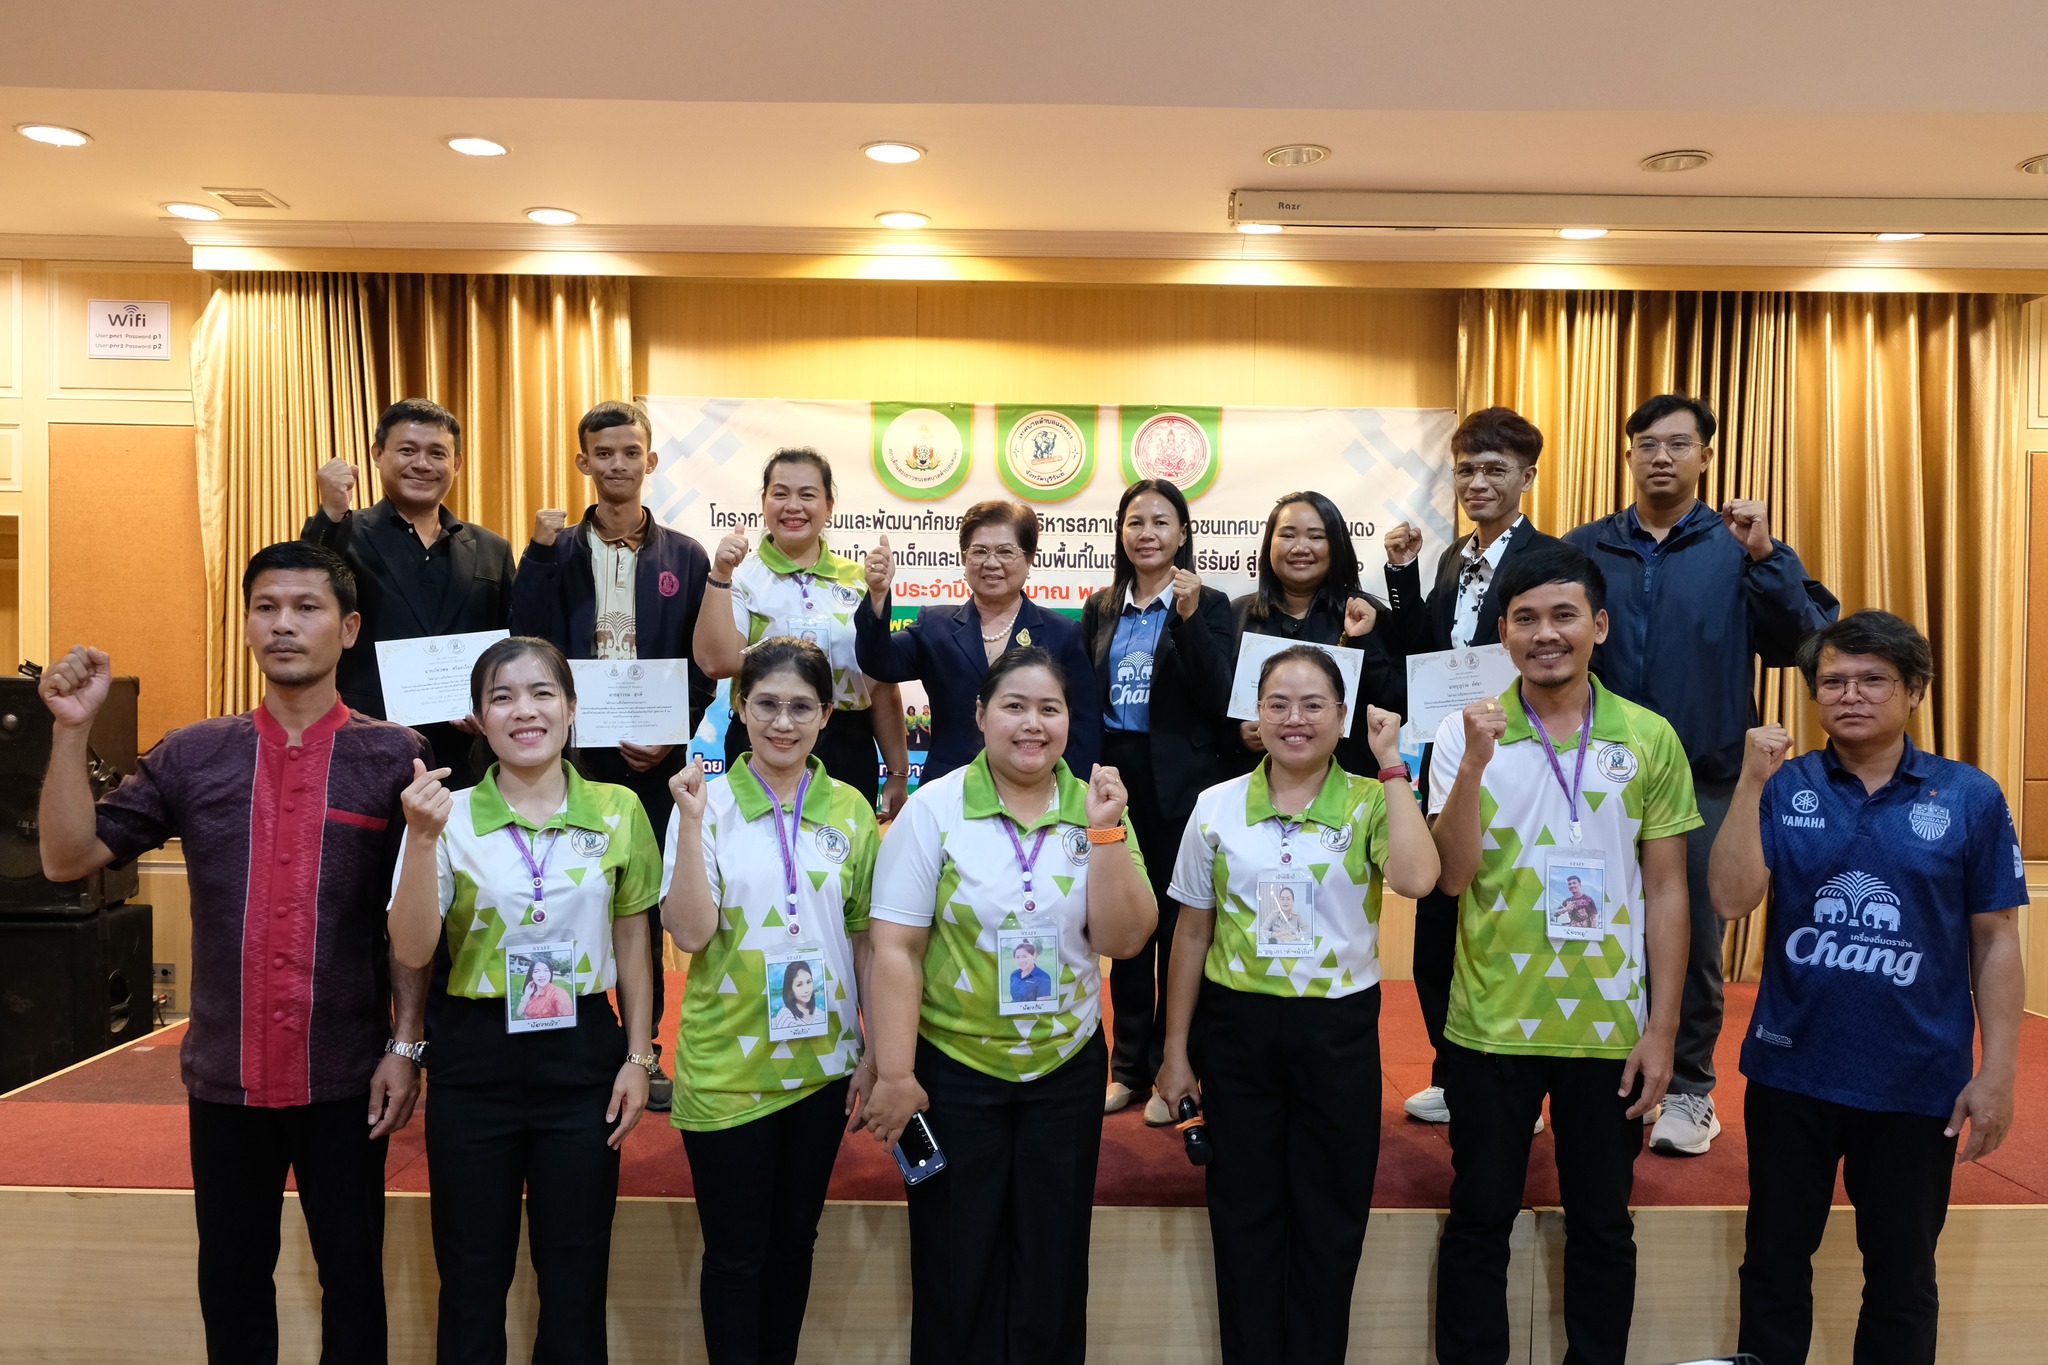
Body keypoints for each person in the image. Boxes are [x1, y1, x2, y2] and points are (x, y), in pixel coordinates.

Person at [36, 542, 428, 1364]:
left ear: (349, 628)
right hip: (225, 1075)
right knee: (233, 1288)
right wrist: (72, 731)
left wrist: (406, 1043)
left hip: (346, 1073)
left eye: (307, 607)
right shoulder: (192, 753)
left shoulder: (397, 756)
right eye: (266, 607)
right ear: (247, 624)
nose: (284, 624)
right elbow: (67, 857)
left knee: (354, 1287)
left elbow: (415, 919)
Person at [1708, 611, 2026, 1365]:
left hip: (1917, 1080)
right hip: (1792, 1071)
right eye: (1833, 682)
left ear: (1914, 690)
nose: (1850, 695)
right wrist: (1751, 782)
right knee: (1774, 1263)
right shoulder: (1786, 785)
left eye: (1872, 680)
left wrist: (1998, 1072)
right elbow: (1729, 897)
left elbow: (1996, 939)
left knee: (1902, 1278)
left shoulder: (1970, 796)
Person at [1428, 542, 1699, 1365]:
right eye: (1526, 618)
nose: (1546, 633)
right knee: (1480, 1216)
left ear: (1599, 625)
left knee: (1604, 1223)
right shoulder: (1463, 732)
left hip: (1609, 1028)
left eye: (1564, 615)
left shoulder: (1649, 737)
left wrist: (1663, 1031)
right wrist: (1474, 765)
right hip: (1490, 1022)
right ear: (1502, 633)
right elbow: (1451, 877)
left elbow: (1668, 891)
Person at [861, 647, 1156, 1364]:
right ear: (979, 714)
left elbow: (1123, 939)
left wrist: (1106, 832)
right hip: (955, 1069)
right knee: (954, 1264)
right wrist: (895, 1073)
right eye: (1014, 706)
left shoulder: (1098, 804)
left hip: (1064, 1068)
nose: (1032, 724)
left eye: (1049, 709)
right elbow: (895, 947)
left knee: (1053, 1264)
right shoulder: (934, 809)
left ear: (1069, 720)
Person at [1564, 393, 1838, 1157]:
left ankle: (1689, 1087)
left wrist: (1768, 556)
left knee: (1691, 936)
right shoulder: (1587, 545)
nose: (1661, 456)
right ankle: (1588, 1073)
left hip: (1703, 774)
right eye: (1647, 443)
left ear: (1706, 457)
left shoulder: (1741, 546)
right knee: (1585, 922)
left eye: (1678, 444)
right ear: (1628, 454)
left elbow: (1807, 643)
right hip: (1595, 776)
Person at [1154, 645, 1439, 1365]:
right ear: (1256, 714)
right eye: (1278, 703)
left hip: (1337, 1034)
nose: (1295, 719)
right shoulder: (1217, 806)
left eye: (1314, 705)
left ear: (1342, 716)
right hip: (1237, 1032)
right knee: (1242, 1215)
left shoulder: (1371, 800)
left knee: (1330, 1219)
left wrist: (1391, 763)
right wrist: (1176, 1049)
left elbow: (1417, 878)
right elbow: (1191, 932)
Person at [387, 636, 661, 1364]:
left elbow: (634, 941)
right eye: (502, 697)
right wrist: (420, 840)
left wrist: (639, 1055)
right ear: (479, 719)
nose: (524, 710)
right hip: (475, 1056)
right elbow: (411, 948)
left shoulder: (620, 808)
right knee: (472, 1277)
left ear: (571, 707)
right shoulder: (444, 815)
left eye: (542, 693)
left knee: (575, 1278)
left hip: (582, 1055)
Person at [660, 635, 881, 1365]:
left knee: (793, 1243)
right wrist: (693, 824)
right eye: (767, 705)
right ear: (739, 707)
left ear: (826, 715)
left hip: (821, 1067)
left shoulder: (850, 809)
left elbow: (866, 941)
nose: (783, 723)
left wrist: (874, 1052)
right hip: (729, 1066)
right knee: (735, 1255)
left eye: (801, 707)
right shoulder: (705, 803)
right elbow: (690, 933)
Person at [510, 399, 716, 1110]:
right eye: (604, 453)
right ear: (583, 462)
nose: (618, 464)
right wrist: (538, 553)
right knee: (559, 895)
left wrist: (673, 729)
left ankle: (644, 1049)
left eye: (631, 452)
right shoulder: (556, 548)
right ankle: (560, 1035)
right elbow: (525, 637)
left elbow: (702, 659)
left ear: (650, 461)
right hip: (567, 761)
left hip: (654, 762)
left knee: (643, 910)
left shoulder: (685, 555)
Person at [1381, 406, 1566, 1126]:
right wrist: (1402, 576)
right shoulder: (1454, 557)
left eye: (1495, 469)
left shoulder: (1547, 558)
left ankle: (1520, 1083)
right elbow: (1426, 651)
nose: (1477, 483)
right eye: (1466, 470)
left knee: (1505, 916)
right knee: (1438, 923)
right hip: (1444, 756)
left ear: (1527, 476)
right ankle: (1452, 1071)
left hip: (1518, 757)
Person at [1082, 479, 1233, 1127]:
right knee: (1126, 925)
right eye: (1135, 521)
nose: (1147, 533)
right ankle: (1126, 1068)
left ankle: (1178, 1065)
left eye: (1161, 521)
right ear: (1121, 532)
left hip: (1183, 780)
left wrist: (1191, 619)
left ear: (1182, 533)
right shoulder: (1101, 606)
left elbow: (1221, 696)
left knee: (1178, 928)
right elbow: (1086, 698)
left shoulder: (1210, 603)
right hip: (1118, 777)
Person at [305, 397, 515, 786]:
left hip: (466, 753)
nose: (422, 463)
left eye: (437, 453)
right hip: (365, 744)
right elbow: (306, 589)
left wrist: (494, 702)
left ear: (456, 463)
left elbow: (510, 645)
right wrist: (330, 513)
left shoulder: (492, 548)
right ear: (377, 454)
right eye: (407, 450)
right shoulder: (342, 533)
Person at [695, 447, 912, 816]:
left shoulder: (860, 580)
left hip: (846, 742)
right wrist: (720, 574)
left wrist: (897, 771)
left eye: (807, 495)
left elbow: (880, 684)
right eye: (780, 494)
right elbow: (717, 663)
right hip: (763, 735)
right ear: (763, 502)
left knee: (843, 845)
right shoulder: (741, 575)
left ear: (829, 506)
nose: (793, 506)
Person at [854, 500, 1101, 785]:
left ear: (1029, 559)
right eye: (979, 551)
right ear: (964, 558)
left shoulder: (1063, 633)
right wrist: (878, 595)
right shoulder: (935, 625)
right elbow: (878, 662)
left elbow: (1084, 730)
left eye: (1005, 551)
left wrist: (1073, 793)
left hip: (1034, 788)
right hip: (950, 787)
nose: (991, 563)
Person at [1226, 491, 1396, 778]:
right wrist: (1236, 732)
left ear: (1337, 545)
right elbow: (1209, 700)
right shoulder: (1237, 615)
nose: (1300, 547)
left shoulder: (1366, 614)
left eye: (1316, 537)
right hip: (1255, 782)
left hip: (1350, 783)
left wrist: (1364, 641)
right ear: (1269, 544)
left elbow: (1396, 703)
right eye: (1288, 535)